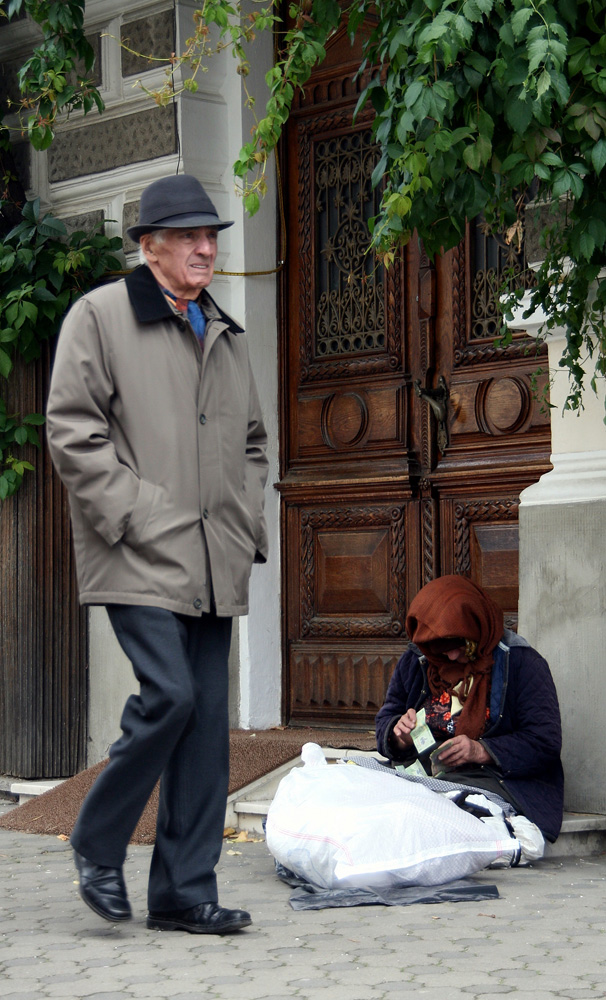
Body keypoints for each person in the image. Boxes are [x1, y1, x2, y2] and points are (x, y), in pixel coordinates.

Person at [46, 173, 269, 933]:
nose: (207, 247)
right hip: (136, 551)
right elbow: (73, 431)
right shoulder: (100, 317)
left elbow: (252, 445)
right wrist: (137, 512)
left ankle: (183, 893)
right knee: (170, 696)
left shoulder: (224, 333)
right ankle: (97, 838)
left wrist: (241, 524)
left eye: (211, 236)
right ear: (149, 247)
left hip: (214, 557)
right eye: (189, 236)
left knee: (205, 724)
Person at [375, 574, 564, 843]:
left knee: (425, 812)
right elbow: (386, 720)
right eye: (440, 648)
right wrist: (398, 736)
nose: (451, 656)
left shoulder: (522, 663)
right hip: (420, 771)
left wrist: (481, 751)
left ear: (476, 629)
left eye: (460, 645)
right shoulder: (418, 661)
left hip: (491, 779)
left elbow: (544, 743)